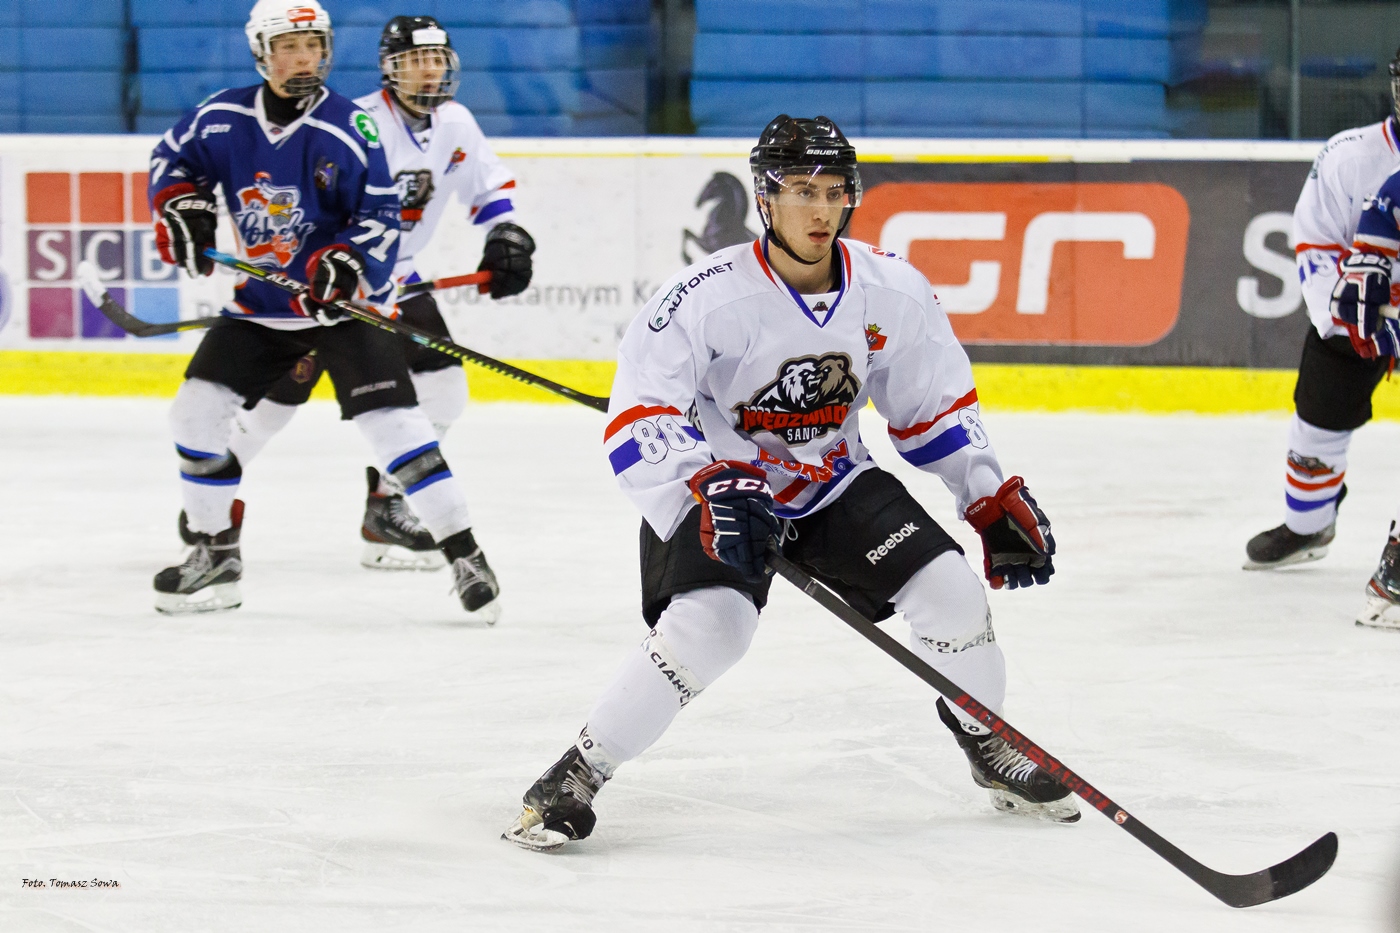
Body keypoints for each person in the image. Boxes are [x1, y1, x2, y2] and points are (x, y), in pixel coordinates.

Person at [503, 115, 1074, 851]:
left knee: (955, 596)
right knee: (713, 628)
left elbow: (936, 405)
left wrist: (986, 495)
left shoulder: (890, 290)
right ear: (765, 199)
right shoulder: (706, 297)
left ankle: (983, 737)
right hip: (723, 490)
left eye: (835, 191)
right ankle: (575, 773)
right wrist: (698, 483)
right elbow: (639, 417)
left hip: (833, 482)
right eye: (801, 190)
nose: (820, 209)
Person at [149, 0, 498, 621]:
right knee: (194, 418)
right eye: (289, 47)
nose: (304, 59)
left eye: (313, 46)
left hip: (345, 310)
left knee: (399, 431)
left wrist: (344, 263)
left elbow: (383, 215)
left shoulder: (349, 127)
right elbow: (172, 162)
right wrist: (180, 204)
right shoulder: (222, 116)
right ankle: (215, 553)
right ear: (262, 52)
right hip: (260, 309)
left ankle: (465, 555)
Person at [1243, 47, 1400, 628]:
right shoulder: (1350, 156)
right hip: (1364, 317)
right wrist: (1346, 320)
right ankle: (1310, 524)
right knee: (1318, 419)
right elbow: (1315, 244)